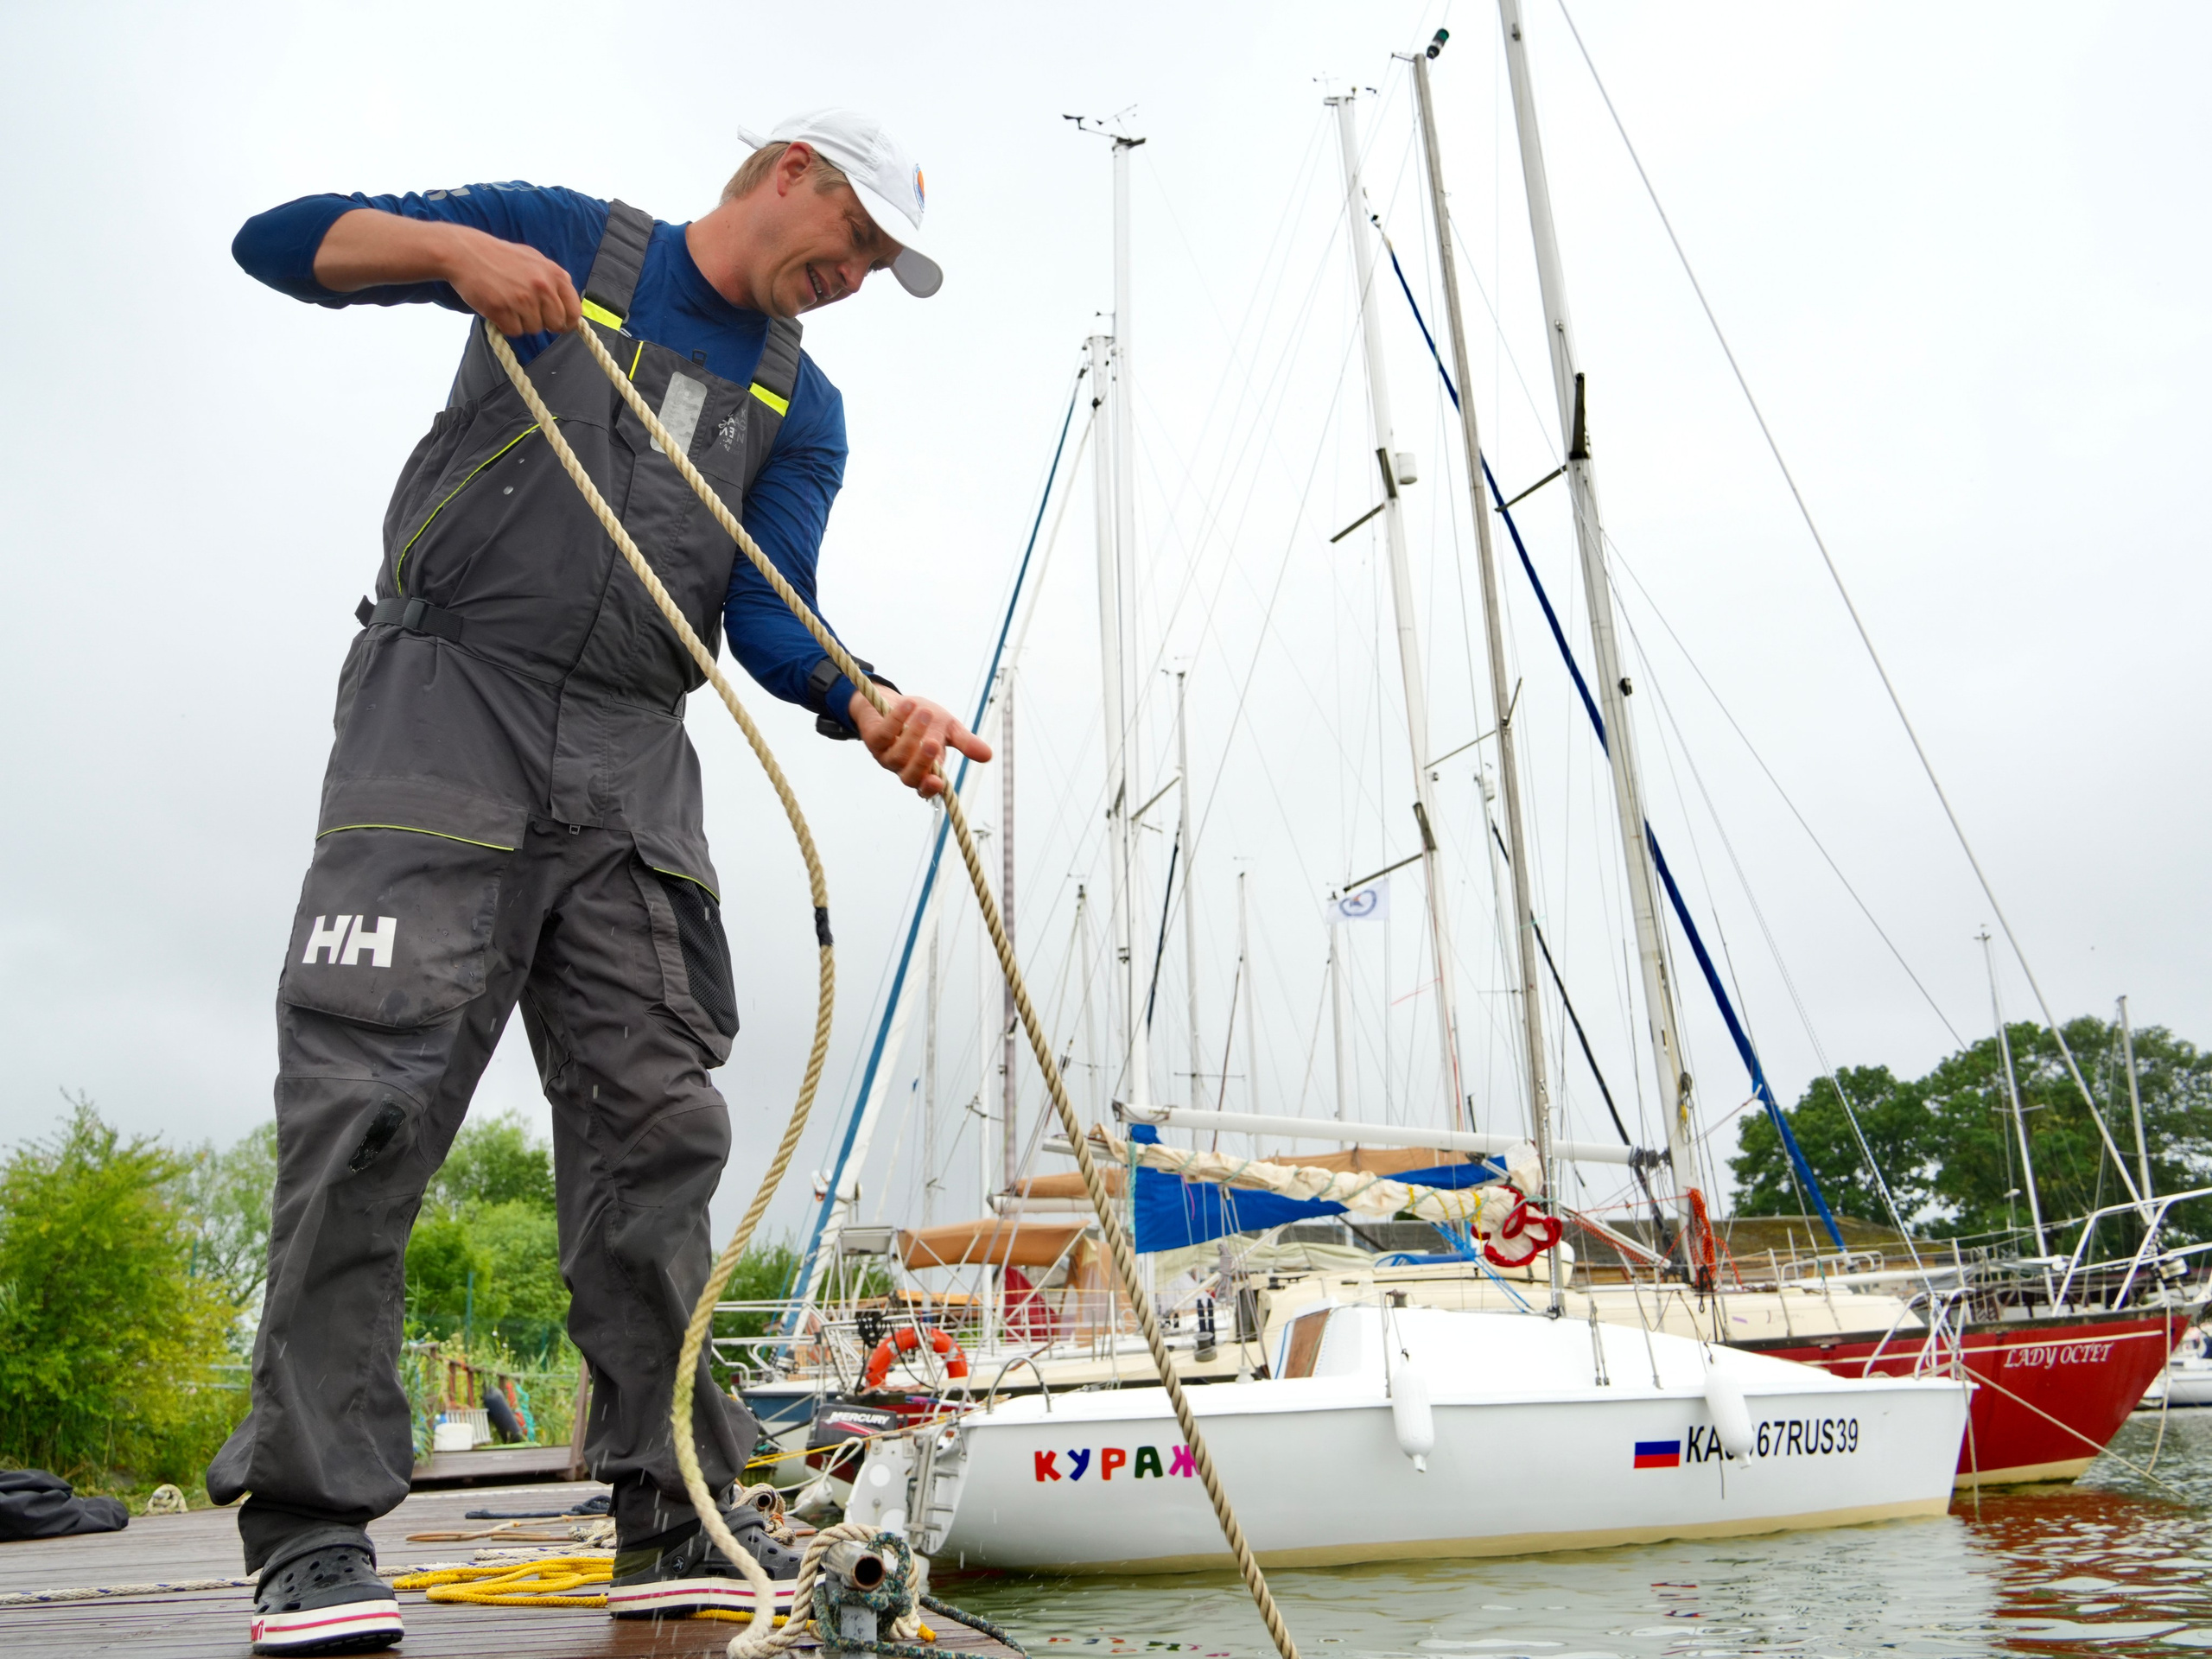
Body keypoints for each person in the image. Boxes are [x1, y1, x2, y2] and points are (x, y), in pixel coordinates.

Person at [212, 109, 988, 1656]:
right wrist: (455, 254)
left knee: (658, 1129)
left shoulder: (801, 404)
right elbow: (281, 243)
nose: (855, 274)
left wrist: (865, 700)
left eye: (880, 266)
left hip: (635, 758)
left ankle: (670, 1507)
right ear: (790, 173)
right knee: (369, 1104)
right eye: (855, 239)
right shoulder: (566, 237)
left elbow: (770, 611)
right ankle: (309, 1528)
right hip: (446, 707)